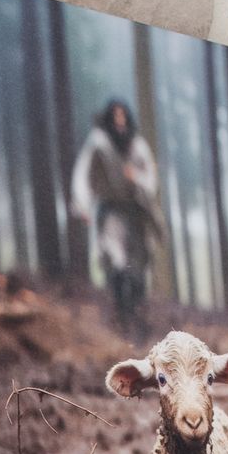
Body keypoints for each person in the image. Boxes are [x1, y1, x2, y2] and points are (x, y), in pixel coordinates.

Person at [70, 99, 165, 331]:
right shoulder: (99, 143)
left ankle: (136, 314)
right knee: (116, 262)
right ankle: (122, 315)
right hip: (111, 212)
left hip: (136, 212)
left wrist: (137, 178)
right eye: (116, 117)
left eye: (123, 116)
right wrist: (83, 204)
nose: (120, 122)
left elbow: (150, 178)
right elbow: (84, 174)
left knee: (139, 266)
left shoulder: (138, 145)